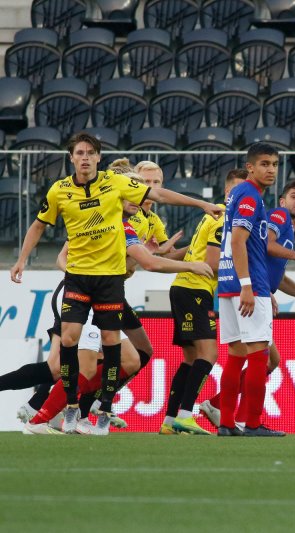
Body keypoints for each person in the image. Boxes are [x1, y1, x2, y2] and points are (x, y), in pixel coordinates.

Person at [10, 131, 221, 434]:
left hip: (109, 285)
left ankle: (88, 408)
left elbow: (157, 221)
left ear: (98, 157)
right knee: (69, 357)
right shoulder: (63, 193)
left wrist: (200, 206)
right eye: (79, 153)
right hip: (78, 282)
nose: (147, 191)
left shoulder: (128, 206)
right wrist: (23, 260)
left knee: (129, 355)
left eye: (90, 153)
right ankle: (55, 411)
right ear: (72, 158)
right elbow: (51, 240)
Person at [198, 180, 295, 432]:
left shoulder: (286, 229)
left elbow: (279, 278)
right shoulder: (279, 216)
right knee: (261, 358)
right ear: (282, 201)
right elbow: (267, 245)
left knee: (259, 359)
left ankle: (224, 414)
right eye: (294, 196)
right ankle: (247, 421)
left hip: (239, 287)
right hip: (250, 289)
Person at [159, 169, 248, 436]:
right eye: (239, 192)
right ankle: (186, 415)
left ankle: (170, 420)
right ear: (228, 193)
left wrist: (178, 254)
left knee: (190, 359)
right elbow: (211, 264)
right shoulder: (224, 220)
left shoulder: (214, 215)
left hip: (182, 287)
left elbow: (198, 249)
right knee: (209, 355)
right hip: (196, 289)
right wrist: (244, 277)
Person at [216, 142, 283, 437]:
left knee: (235, 353)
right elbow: (238, 241)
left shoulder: (240, 194)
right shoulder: (250, 195)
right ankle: (253, 423)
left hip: (228, 282)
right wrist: (249, 286)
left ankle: (227, 422)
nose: (271, 169)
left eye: (275, 164)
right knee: (259, 354)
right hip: (247, 284)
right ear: (250, 168)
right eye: (265, 164)